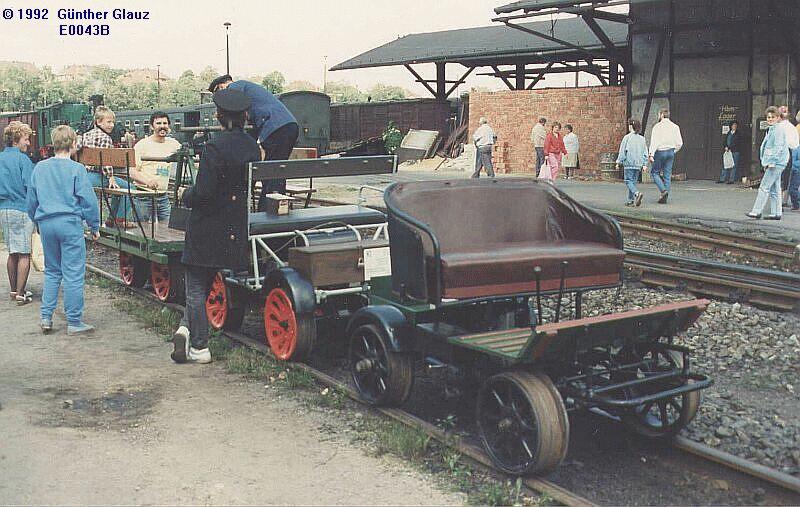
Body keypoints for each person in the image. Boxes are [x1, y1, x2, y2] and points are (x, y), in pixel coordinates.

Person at [171, 88, 261, 364]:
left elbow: (204, 193)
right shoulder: (251, 146)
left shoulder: (214, 147)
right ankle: (185, 328)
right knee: (205, 283)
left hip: (207, 228)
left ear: (220, 116)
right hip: (233, 228)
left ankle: (200, 347)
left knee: (196, 288)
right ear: (244, 116)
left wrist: (184, 194)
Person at [26, 126, 100, 335]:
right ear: (73, 144)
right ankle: (74, 322)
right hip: (69, 224)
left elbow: (31, 200)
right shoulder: (77, 169)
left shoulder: (39, 168)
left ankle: (46, 317)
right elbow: (88, 201)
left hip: (46, 224)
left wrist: (37, 221)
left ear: (53, 143)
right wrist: (94, 226)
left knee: (52, 271)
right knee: (73, 273)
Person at [208, 75, 298, 209]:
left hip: (276, 128)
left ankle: (267, 212)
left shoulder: (236, 86)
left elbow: (235, 110)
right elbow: (251, 131)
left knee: (271, 173)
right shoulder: (252, 96)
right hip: (288, 126)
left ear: (221, 86)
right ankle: (276, 209)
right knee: (276, 172)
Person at [78, 106, 137, 228]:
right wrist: (110, 177)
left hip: (85, 175)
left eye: (113, 122)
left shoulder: (85, 135)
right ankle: (120, 219)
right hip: (97, 176)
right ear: (99, 122)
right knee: (130, 188)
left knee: (118, 190)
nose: (112, 125)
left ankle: (111, 219)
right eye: (109, 122)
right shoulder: (105, 138)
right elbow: (105, 160)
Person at [0, 121, 35, 305]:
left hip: (4, 209)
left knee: (12, 252)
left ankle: (14, 290)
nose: (28, 143)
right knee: (24, 253)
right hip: (21, 208)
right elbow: (30, 186)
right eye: (26, 139)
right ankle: (22, 293)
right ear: (16, 139)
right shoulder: (23, 160)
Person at [130, 112, 181, 225]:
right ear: (152, 126)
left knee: (168, 228)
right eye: (158, 123)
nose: (162, 126)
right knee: (142, 229)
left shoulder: (173, 144)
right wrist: (148, 182)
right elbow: (132, 172)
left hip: (163, 197)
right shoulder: (142, 145)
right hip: (143, 196)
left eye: (165, 123)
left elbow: (186, 156)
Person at [747, 106, 789, 220]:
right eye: (768, 117)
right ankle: (776, 213)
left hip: (775, 163)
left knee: (764, 187)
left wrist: (771, 162)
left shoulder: (777, 129)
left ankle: (756, 211)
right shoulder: (772, 129)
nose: (770, 119)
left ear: (778, 118)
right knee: (775, 188)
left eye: (772, 117)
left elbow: (778, 147)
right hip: (778, 162)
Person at [648, 109, 683, 204]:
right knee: (667, 175)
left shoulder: (657, 127)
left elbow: (654, 142)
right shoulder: (675, 127)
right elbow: (680, 143)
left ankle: (663, 191)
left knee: (655, 173)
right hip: (671, 151)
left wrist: (651, 154)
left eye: (659, 114)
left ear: (662, 115)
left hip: (660, 152)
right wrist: (674, 151)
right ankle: (665, 197)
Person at [616, 119, 648, 207]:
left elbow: (622, 151)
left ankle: (637, 193)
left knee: (628, 181)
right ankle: (631, 200)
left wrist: (618, 162)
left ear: (631, 126)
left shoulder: (627, 138)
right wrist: (644, 164)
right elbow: (645, 152)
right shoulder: (642, 139)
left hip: (629, 163)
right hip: (638, 164)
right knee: (633, 182)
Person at [778, 106, 799, 208]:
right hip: (790, 153)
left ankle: (780, 202)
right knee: (786, 178)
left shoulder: (778, 127)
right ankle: (783, 200)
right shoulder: (792, 127)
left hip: (783, 153)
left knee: (780, 179)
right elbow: (795, 144)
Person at [718, 120, 743, 184]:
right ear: (731, 126)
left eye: (735, 125)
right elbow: (725, 141)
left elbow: (737, 143)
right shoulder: (728, 133)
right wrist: (725, 146)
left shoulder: (738, 134)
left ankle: (731, 180)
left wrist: (729, 148)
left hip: (735, 151)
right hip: (728, 151)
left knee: (733, 165)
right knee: (725, 164)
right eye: (733, 125)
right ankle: (722, 179)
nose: (734, 126)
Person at [788, 145, 800, 211]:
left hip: (796, 171)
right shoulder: (794, 149)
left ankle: (796, 205)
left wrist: (792, 164)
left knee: (792, 189)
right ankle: (795, 205)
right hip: (793, 171)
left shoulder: (797, 149)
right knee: (791, 189)